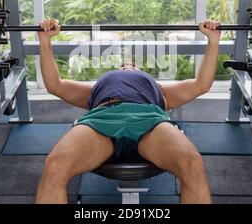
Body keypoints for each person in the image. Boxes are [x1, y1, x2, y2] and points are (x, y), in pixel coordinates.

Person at [35, 18, 221, 204]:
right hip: (102, 118)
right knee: (55, 166)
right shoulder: (95, 90)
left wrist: (213, 40)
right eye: (123, 65)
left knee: (193, 164)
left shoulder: (160, 90)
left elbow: (201, 85)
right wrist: (45, 41)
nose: (127, 65)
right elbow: (54, 85)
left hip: (149, 120)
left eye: (132, 66)